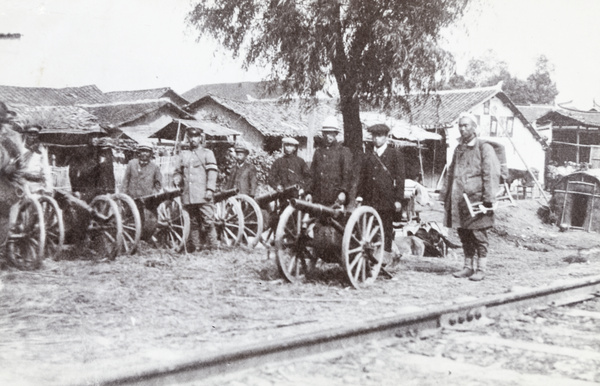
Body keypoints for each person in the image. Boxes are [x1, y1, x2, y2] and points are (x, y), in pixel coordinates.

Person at [440, 112, 500, 281]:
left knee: (478, 234)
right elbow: (451, 172)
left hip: (477, 200)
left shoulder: (484, 148)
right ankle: (468, 267)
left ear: (474, 127)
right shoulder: (459, 149)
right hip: (459, 199)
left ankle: (481, 268)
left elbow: (491, 173)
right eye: (460, 125)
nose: (462, 128)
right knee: (464, 233)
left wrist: (489, 199)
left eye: (466, 125)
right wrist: (444, 195)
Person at [357, 124, 405, 265]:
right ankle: (370, 257)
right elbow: (362, 177)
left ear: (386, 137)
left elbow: (400, 179)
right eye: (374, 136)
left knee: (385, 229)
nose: (376, 139)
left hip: (386, 200)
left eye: (380, 136)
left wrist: (398, 199)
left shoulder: (395, 155)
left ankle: (385, 259)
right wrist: (359, 195)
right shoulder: (368, 156)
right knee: (369, 229)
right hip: (369, 199)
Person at [173, 127, 218, 251]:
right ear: (188, 138)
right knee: (193, 223)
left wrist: (210, 189)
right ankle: (197, 247)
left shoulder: (207, 153)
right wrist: (177, 178)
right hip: (188, 196)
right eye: (191, 137)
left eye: (196, 137)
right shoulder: (184, 154)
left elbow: (212, 172)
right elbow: (177, 171)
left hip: (203, 195)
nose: (193, 139)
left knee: (208, 221)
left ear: (200, 138)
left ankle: (214, 248)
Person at [308, 116, 353, 206]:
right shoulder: (318, 152)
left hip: (336, 198)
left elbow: (347, 174)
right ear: (323, 134)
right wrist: (308, 192)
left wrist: (343, 192)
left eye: (332, 134)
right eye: (327, 133)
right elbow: (312, 174)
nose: (330, 136)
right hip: (318, 197)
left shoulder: (343, 151)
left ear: (336, 134)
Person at [22, 125, 53, 193]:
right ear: (26, 134)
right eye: (30, 134)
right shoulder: (20, 148)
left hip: (37, 184)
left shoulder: (41, 149)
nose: (33, 137)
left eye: (35, 135)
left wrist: (49, 187)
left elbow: (46, 168)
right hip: (22, 183)